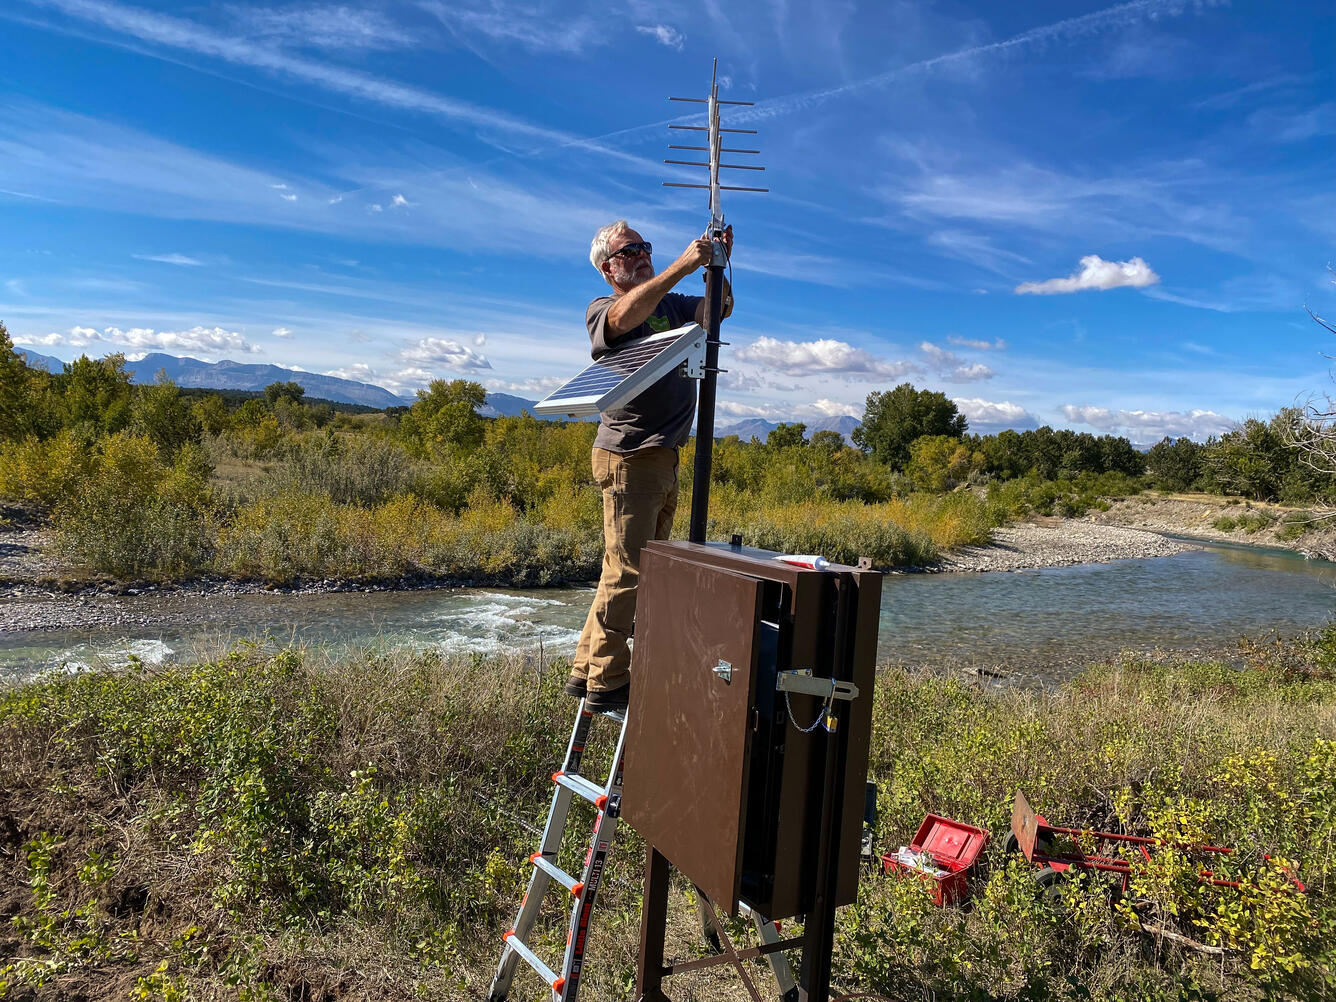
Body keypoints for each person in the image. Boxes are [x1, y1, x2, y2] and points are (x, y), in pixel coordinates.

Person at [566, 220, 734, 712]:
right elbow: (621, 319)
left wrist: (718, 267)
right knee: (630, 572)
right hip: (630, 455)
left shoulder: (673, 307)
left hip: (662, 454)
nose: (641, 255)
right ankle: (608, 682)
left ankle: (586, 668)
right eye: (628, 251)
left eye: (645, 247)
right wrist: (685, 264)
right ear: (607, 269)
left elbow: (716, 311)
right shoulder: (604, 308)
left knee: (624, 570)